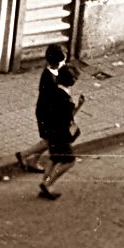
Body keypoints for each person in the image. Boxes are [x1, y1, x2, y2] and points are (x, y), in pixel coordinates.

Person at [16, 43, 67, 174]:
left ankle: (33, 161)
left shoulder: (51, 71)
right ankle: (23, 154)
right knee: (50, 140)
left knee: (48, 139)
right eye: (63, 60)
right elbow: (54, 98)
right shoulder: (50, 77)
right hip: (47, 113)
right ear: (58, 61)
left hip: (46, 110)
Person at [39, 67, 85, 201]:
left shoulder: (54, 92)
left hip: (51, 132)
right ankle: (48, 184)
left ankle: (44, 181)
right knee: (69, 161)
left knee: (54, 158)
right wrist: (78, 107)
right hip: (61, 135)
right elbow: (68, 118)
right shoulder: (66, 99)